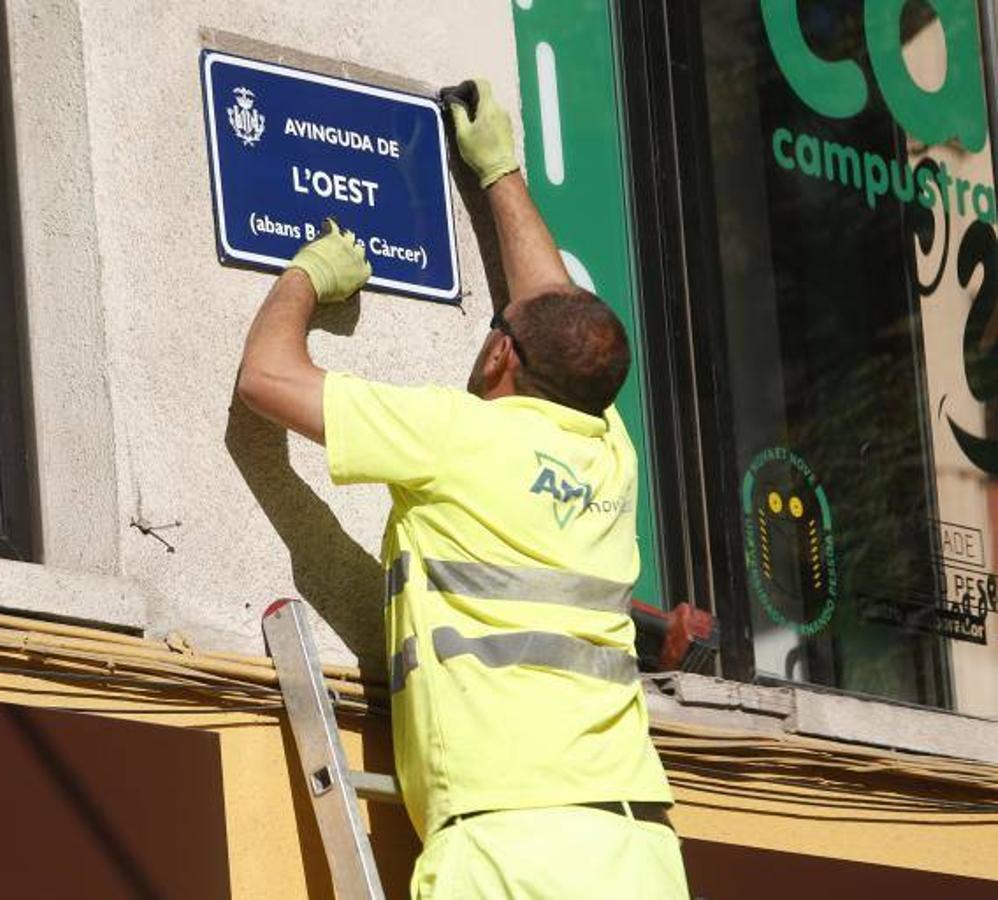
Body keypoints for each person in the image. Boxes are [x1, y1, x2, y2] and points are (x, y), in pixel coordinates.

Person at [235, 78, 689, 898]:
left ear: (498, 358)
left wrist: (304, 276)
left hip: (506, 846)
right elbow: (550, 313)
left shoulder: (458, 436)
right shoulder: (610, 453)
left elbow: (266, 378)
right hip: (636, 848)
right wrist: (501, 172)